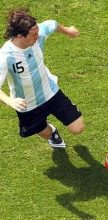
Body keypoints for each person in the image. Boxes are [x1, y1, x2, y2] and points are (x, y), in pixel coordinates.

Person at [0, 8, 84, 148]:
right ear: (20, 36)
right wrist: (9, 100)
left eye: (38, 31)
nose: (38, 36)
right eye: (33, 35)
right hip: (28, 104)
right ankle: (53, 134)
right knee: (45, 133)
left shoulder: (37, 32)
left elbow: (52, 24)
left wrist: (68, 31)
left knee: (78, 128)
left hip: (50, 92)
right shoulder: (5, 56)